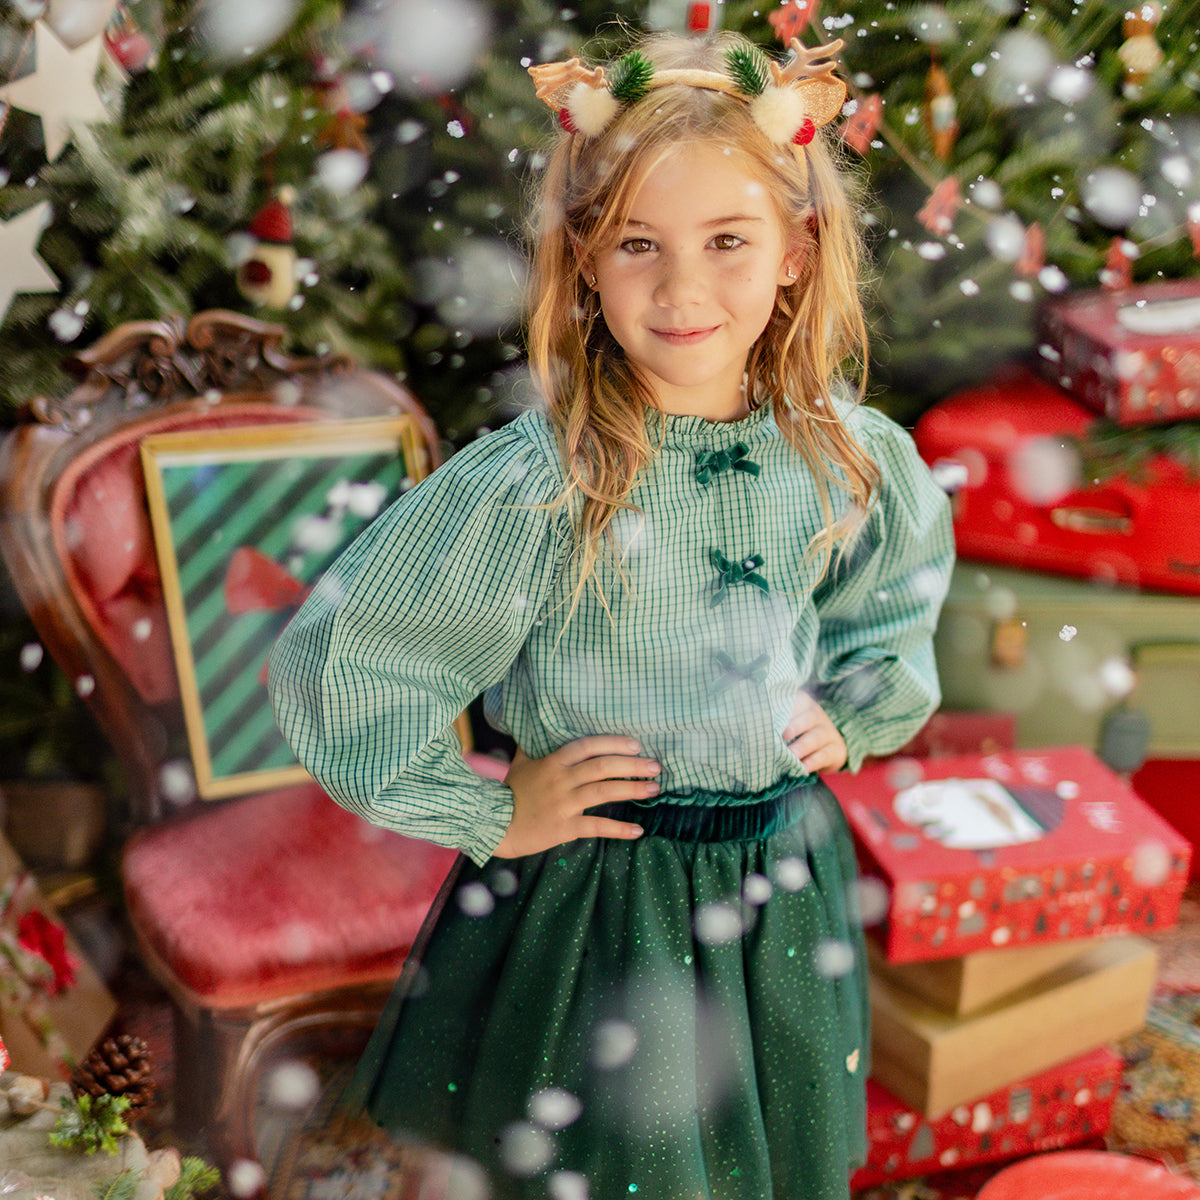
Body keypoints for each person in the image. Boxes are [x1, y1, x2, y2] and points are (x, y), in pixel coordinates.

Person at [269, 28, 954, 1200]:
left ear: (796, 251)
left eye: (728, 243)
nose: (683, 290)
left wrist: (860, 701)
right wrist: (483, 804)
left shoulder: (849, 456)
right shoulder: (544, 481)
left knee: (757, 1152)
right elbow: (348, 656)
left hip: (775, 873)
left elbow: (890, 597)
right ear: (586, 258)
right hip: (604, 892)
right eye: (639, 243)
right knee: (612, 1167)